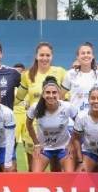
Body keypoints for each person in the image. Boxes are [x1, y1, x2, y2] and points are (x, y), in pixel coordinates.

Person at [15, 42, 66, 171]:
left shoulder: (60, 72)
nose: (44, 58)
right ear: (36, 56)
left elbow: (67, 96)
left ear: (52, 56)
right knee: (34, 172)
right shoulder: (27, 75)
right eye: (41, 55)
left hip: (56, 130)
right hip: (34, 131)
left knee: (56, 171)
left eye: (47, 55)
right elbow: (18, 98)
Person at [26, 76, 78, 173]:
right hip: (44, 148)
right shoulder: (35, 108)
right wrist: (36, 144)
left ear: (59, 94)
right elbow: (28, 124)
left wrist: (71, 143)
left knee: (70, 175)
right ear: (43, 94)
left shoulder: (67, 107)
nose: (51, 95)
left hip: (64, 147)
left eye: (54, 92)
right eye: (48, 92)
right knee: (35, 175)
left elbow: (79, 124)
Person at [60, 42, 98, 113]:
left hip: (97, 117)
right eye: (83, 53)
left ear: (93, 56)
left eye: (88, 53)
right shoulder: (71, 74)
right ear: (77, 57)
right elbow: (60, 96)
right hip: (76, 119)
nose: (86, 55)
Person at [12, 63, 27, 146]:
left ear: (24, 72)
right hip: (15, 116)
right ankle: (11, 159)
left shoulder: (29, 85)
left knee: (28, 143)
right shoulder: (10, 86)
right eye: (15, 73)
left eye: (20, 72)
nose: (18, 75)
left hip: (27, 116)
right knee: (14, 142)